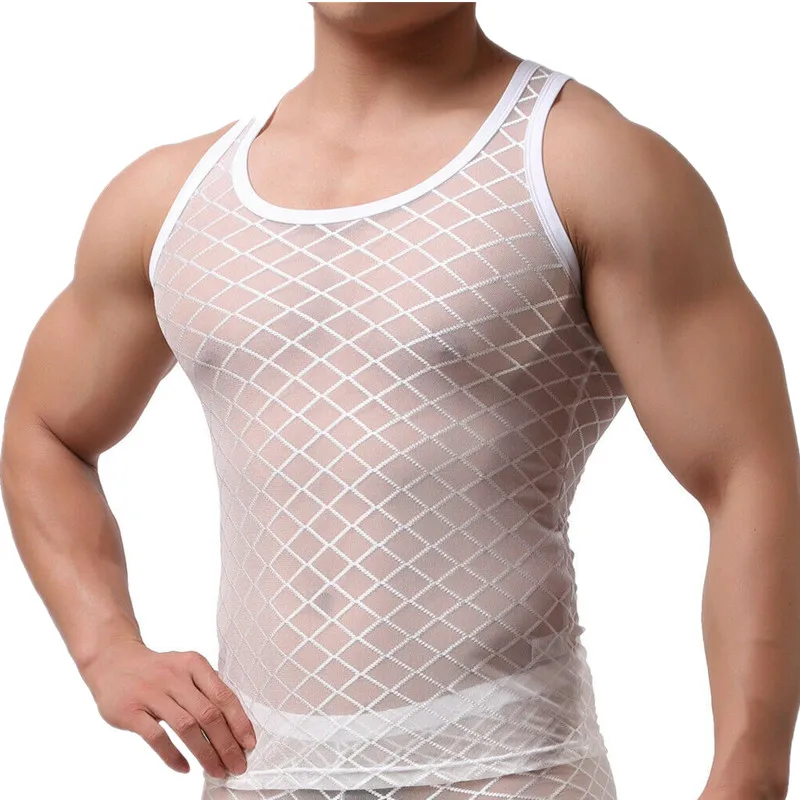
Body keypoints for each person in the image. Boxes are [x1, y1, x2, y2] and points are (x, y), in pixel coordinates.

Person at [2, 2, 799, 799]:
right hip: (256, 773)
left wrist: (750, 774)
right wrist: (106, 647)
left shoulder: (587, 166)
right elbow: (46, 433)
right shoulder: (172, 199)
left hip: (504, 770)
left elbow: (749, 471)